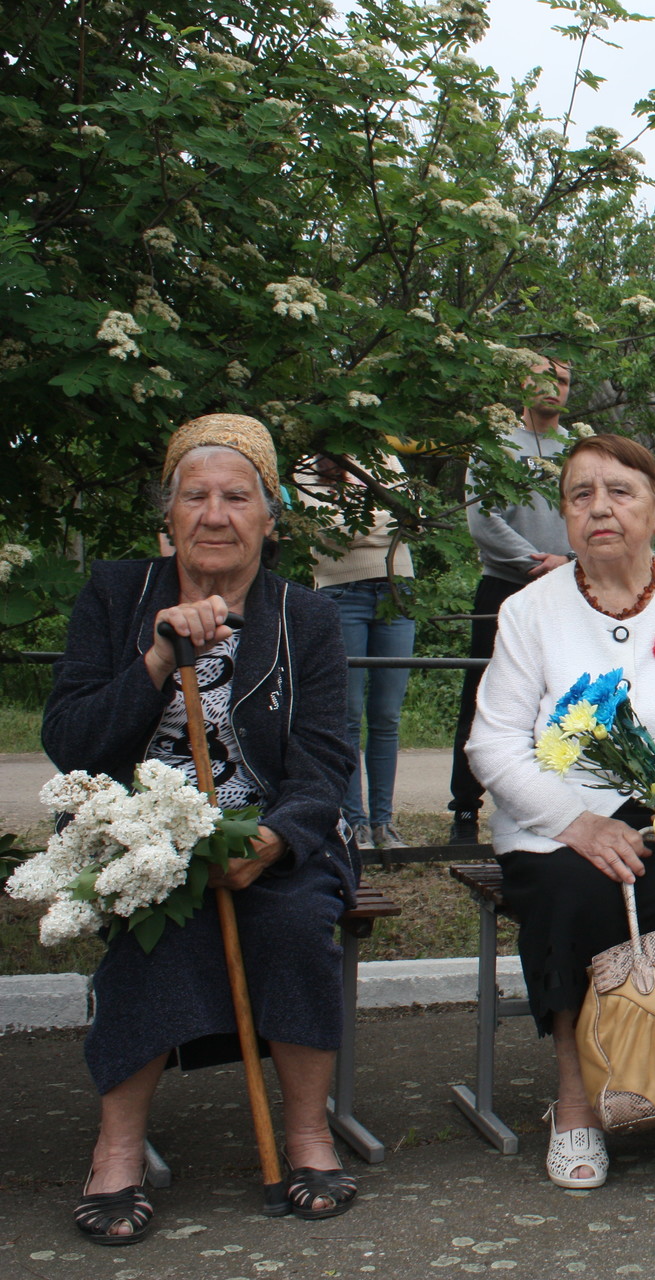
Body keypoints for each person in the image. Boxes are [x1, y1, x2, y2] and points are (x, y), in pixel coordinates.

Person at [43, 414, 359, 1242]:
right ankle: (116, 1153)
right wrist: (154, 662)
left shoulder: (306, 618)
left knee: (294, 922)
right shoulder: (119, 596)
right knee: (155, 926)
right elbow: (71, 741)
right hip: (143, 838)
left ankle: (307, 1134)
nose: (215, 514)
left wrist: (277, 837)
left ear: (269, 515)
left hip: (275, 837)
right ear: (170, 513)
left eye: (236, 496)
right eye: (196, 495)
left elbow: (326, 762)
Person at [467, 434, 655, 1189]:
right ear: (566, 515)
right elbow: (493, 744)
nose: (599, 508)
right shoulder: (527, 611)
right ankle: (577, 1100)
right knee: (578, 893)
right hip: (558, 831)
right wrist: (577, 825)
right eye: (580, 495)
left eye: (620, 492)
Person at [449, 355, 576, 844]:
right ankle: (464, 807)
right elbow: (481, 521)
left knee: (561, 693)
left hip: (566, 586)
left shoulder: (576, 449)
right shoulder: (493, 445)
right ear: (522, 385)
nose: (554, 388)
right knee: (481, 693)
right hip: (506, 586)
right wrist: (534, 562)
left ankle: (554, 799)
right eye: (545, 379)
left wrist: (566, 563)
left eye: (562, 381)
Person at [297, 452, 416, 852]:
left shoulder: (384, 458)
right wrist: (376, 521)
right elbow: (324, 530)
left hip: (397, 589)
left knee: (386, 716)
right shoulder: (306, 464)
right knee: (346, 715)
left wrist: (357, 524)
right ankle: (353, 823)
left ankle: (384, 823)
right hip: (340, 592)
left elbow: (407, 514)